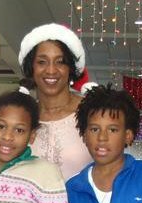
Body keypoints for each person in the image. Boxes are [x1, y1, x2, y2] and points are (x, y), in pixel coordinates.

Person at [17, 23, 94, 181]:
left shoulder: (92, 112)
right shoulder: (22, 116)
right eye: (42, 62)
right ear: (31, 67)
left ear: (70, 68)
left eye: (60, 62)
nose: (51, 70)